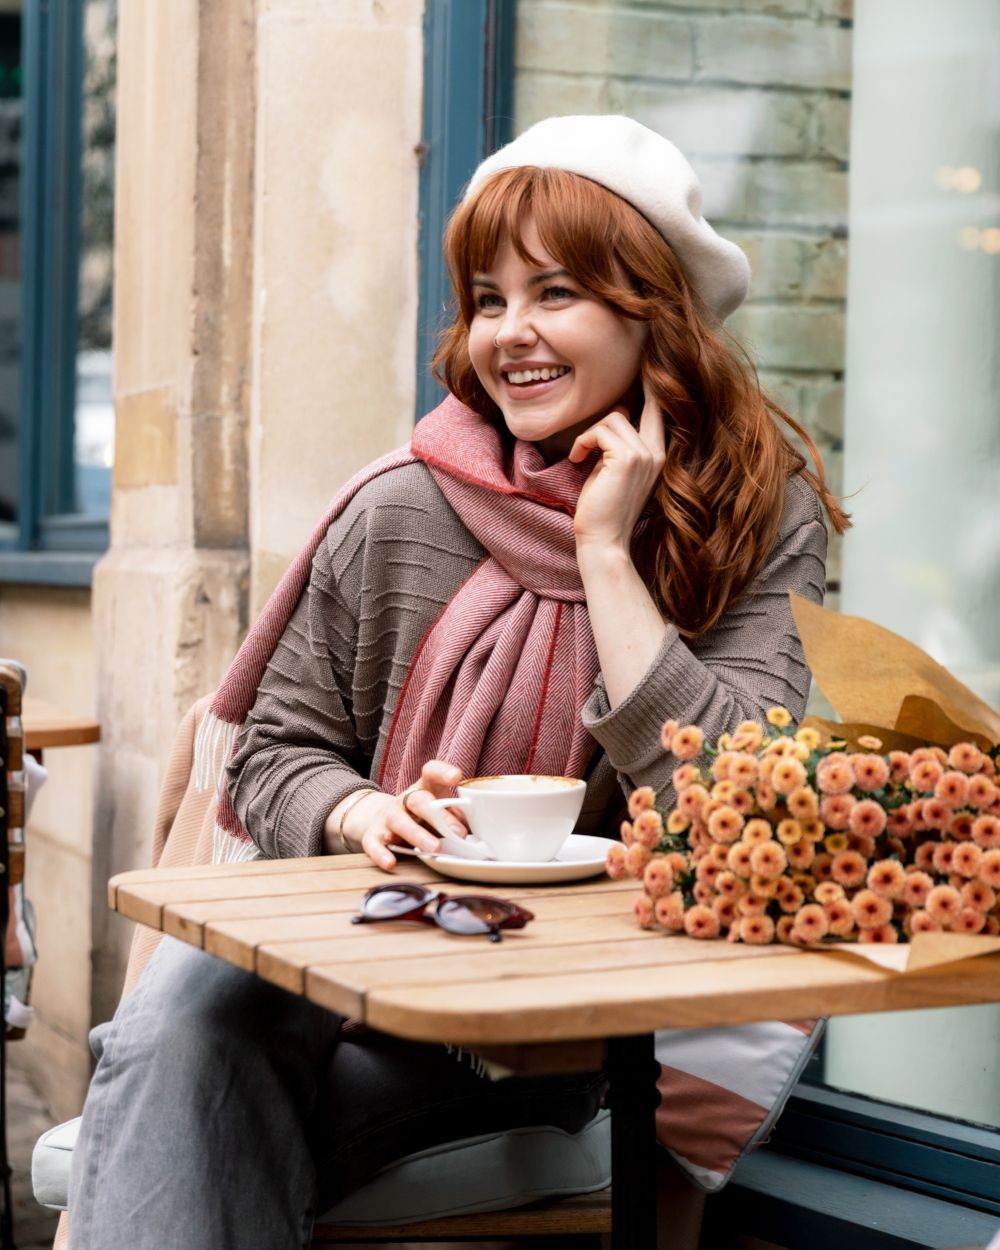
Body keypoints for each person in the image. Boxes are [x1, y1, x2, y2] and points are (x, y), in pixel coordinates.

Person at [65, 115, 847, 1250]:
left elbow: (735, 809)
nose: (510, 333)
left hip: (542, 1017)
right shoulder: (400, 506)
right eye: (487, 297)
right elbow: (278, 752)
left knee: (178, 1085)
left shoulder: (758, 522)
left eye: (556, 291)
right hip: (334, 954)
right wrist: (362, 807)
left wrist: (604, 557)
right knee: (188, 1025)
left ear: (654, 307)